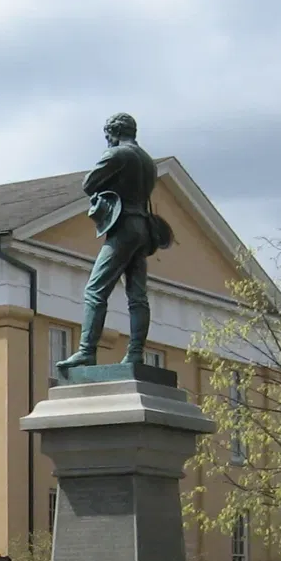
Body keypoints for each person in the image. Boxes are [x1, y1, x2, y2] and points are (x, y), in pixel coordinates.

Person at [55, 112, 174, 375]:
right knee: (137, 296)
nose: (107, 139)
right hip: (143, 229)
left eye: (108, 134)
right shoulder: (148, 162)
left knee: (95, 290)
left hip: (124, 227)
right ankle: (135, 352)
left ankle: (86, 351)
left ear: (115, 132)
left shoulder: (117, 154)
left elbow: (89, 183)